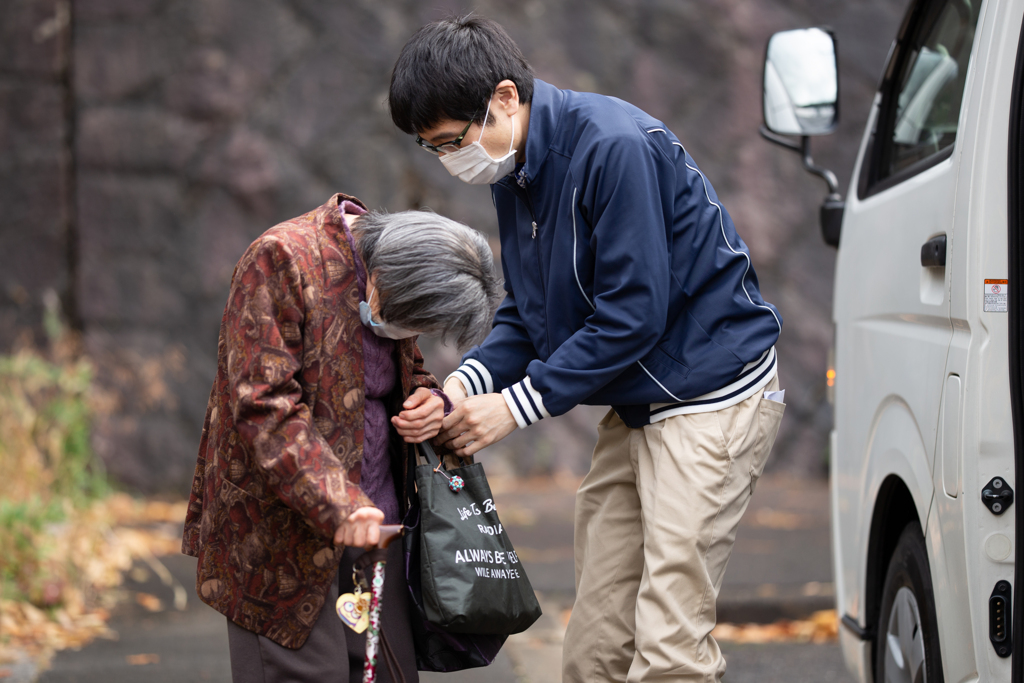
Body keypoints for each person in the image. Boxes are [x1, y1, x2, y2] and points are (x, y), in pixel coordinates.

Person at [388, 16, 786, 682]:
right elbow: (529, 310)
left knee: (669, 652)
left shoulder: (613, 146)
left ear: (506, 98)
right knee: (596, 649)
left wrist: (513, 407)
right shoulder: (514, 168)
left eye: (452, 140)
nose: (450, 159)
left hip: (710, 398)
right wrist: (465, 385)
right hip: (639, 402)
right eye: (433, 150)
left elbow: (633, 314)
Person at [181, 193, 501, 683]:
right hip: (281, 539)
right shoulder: (282, 258)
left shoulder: (392, 280)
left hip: (377, 530)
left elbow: (401, 370)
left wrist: (430, 402)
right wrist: (340, 503)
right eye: (412, 323)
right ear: (390, 278)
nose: (409, 334)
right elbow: (263, 405)